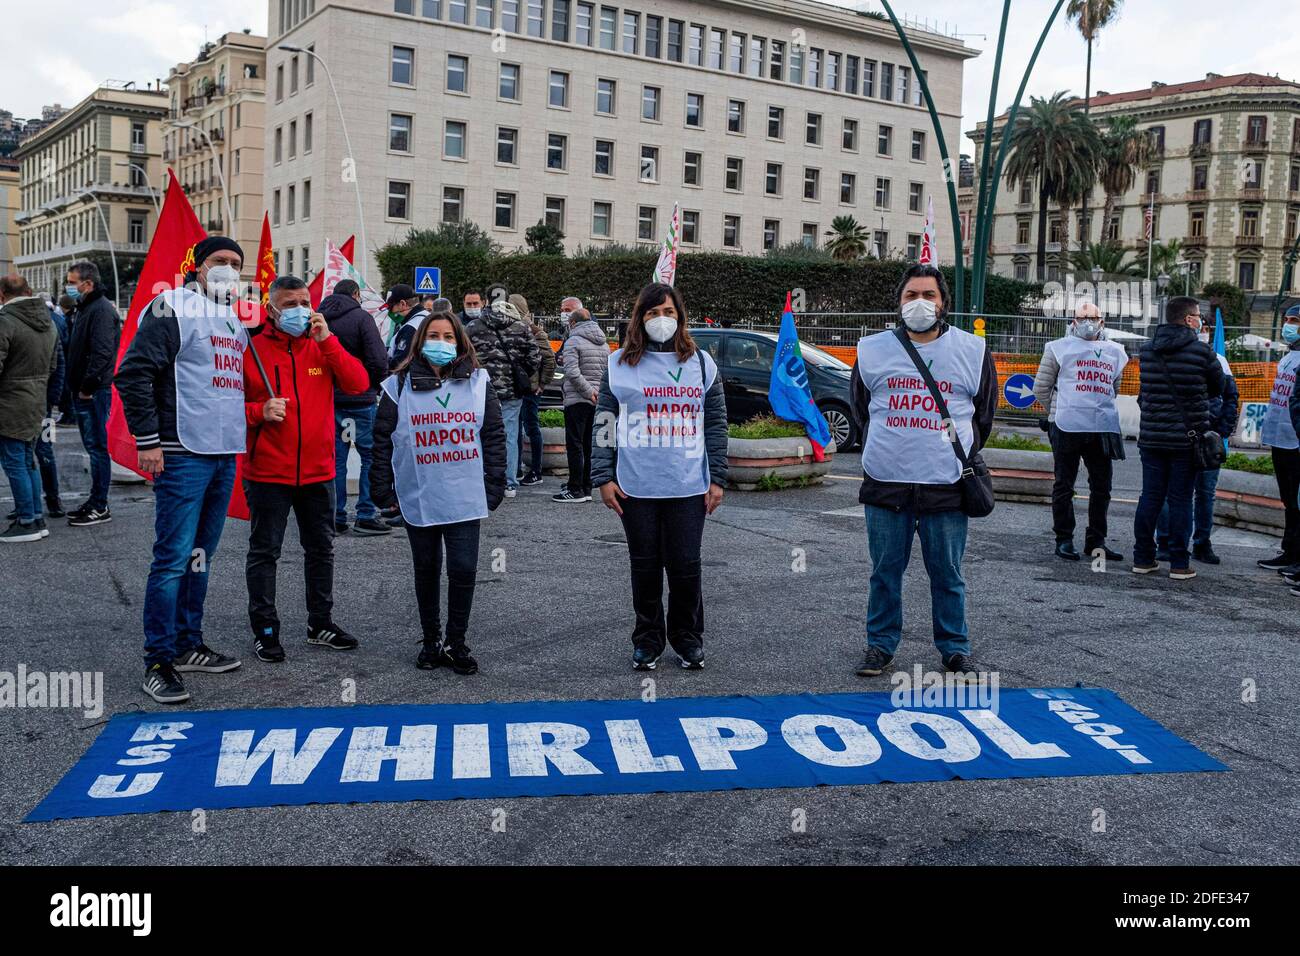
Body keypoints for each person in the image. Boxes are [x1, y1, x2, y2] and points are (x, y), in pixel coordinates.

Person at [115, 236, 249, 704]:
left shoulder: (234, 319)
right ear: (197, 265)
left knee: (200, 555)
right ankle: (158, 659)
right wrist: (149, 442)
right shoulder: (170, 306)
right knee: (172, 558)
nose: (228, 270)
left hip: (222, 453)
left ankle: (189, 643)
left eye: (235, 264)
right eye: (220, 262)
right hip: (180, 451)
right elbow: (133, 374)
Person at [850, 264, 996, 679]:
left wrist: (950, 451)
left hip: (947, 485)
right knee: (884, 573)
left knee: (948, 574)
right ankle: (879, 646)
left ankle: (954, 649)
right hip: (886, 482)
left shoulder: (972, 350)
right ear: (899, 303)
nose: (919, 303)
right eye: (911, 295)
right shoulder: (873, 350)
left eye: (928, 295)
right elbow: (860, 411)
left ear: (943, 303)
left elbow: (984, 415)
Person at [591, 282, 728, 671]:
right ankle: (647, 640)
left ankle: (687, 638)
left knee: (685, 566)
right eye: (653, 313)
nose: (661, 320)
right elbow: (604, 421)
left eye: (668, 312)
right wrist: (603, 476)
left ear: (680, 317)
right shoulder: (619, 365)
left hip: (688, 484)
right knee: (645, 566)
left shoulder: (701, 364)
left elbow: (716, 425)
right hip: (635, 486)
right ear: (640, 318)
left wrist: (717, 477)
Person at [243, 276, 370, 663]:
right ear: (271, 310)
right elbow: (226, 408)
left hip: (318, 470)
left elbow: (359, 382)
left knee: (321, 549)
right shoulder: (249, 348)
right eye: (290, 303)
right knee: (265, 551)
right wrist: (258, 411)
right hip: (268, 471)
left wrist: (328, 341)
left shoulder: (322, 345)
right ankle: (265, 630)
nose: (299, 310)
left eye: (304, 302)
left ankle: (320, 623)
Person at [371, 310, 506, 673]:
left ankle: (456, 642)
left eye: (449, 337)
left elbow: (493, 436)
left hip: (464, 495)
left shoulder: (478, 383)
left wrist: (494, 485)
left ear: (460, 343)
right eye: (434, 336)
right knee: (427, 568)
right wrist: (383, 490)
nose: (441, 343)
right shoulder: (397, 385)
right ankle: (431, 641)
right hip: (419, 494)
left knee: (463, 569)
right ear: (420, 341)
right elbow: (381, 438)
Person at [1131, 296, 1224, 580]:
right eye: (1198, 316)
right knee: (1182, 499)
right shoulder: (1201, 352)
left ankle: (1143, 558)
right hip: (1187, 439)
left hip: (1151, 438)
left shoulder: (1147, 351)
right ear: (1188, 319)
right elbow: (1217, 386)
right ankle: (1180, 564)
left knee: (1150, 497)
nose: (1201, 321)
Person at [1032, 300, 1128, 562]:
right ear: (1073, 322)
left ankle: (1096, 541)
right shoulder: (1058, 349)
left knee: (1102, 487)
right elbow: (1041, 387)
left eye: (1093, 317)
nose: (1088, 322)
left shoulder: (1115, 351)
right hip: (1065, 426)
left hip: (1101, 428)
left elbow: (1113, 387)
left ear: (1102, 321)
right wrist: (1060, 409)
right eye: (1082, 317)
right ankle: (1064, 540)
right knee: (1064, 485)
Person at [318, 277, 390, 535]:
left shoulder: (319, 318)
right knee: (369, 457)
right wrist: (374, 384)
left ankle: (335, 516)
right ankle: (366, 514)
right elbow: (378, 358)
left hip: (329, 399)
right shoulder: (362, 319)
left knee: (336, 459)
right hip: (360, 399)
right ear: (356, 295)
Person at [1157, 339, 1238, 565]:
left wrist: (1220, 431)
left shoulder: (1219, 361)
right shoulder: (1167, 357)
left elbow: (1231, 397)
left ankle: (1202, 543)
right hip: (1177, 436)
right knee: (1168, 492)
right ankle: (1164, 542)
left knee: (1204, 493)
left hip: (1207, 439)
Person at [0, 274, 58, 543]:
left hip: (10, 402)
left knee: (15, 463)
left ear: (2, 295)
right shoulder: (49, 321)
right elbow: (54, 366)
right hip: (37, 400)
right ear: (29, 290)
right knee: (27, 461)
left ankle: (26, 521)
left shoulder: (6, 321)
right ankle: (35, 516)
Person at [64, 260, 121, 527]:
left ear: (88, 284)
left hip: (94, 392)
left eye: (73, 282)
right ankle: (95, 500)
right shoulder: (86, 308)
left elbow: (102, 354)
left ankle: (100, 505)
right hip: (85, 391)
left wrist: (87, 388)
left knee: (98, 448)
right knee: (93, 447)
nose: (69, 287)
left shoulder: (100, 310)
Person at [466, 298, 540, 499]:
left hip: (480, 389)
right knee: (509, 434)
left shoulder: (473, 327)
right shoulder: (521, 327)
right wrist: (521, 373)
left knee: (480, 433)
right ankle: (508, 482)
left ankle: (483, 477)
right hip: (512, 390)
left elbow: (462, 355)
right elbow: (535, 357)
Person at [1258, 304, 1300, 572]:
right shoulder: (1288, 356)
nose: (1288, 325)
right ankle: (1289, 550)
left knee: (1296, 501)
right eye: (1287, 320)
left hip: (1295, 440)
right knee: (1287, 500)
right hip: (1279, 437)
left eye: (1294, 320)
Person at [554, 298, 605, 503]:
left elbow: (572, 372)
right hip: (597, 400)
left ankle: (574, 489)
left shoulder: (573, 340)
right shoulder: (603, 342)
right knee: (588, 445)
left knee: (574, 444)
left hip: (578, 399)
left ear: (573, 323)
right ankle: (586, 487)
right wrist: (596, 393)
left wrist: (587, 391)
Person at [509, 292, 556, 487]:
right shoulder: (515, 329)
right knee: (517, 430)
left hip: (531, 389)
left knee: (530, 427)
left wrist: (542, 384)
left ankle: (536, 471)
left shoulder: (535, 332)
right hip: (520, 388)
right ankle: (518, 469)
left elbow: (550, 360)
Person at [384, 283, 426, 373]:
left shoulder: (411, 327)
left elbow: (399, 363)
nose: (390, 312)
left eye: (391, 307)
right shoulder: (425, 317)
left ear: (403, 304)